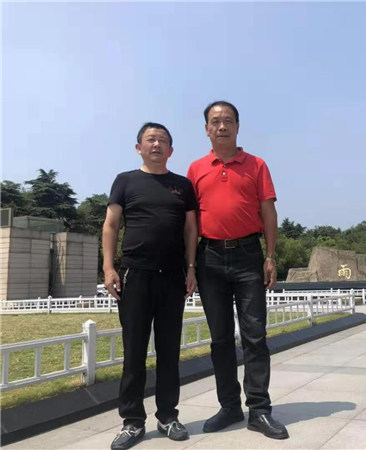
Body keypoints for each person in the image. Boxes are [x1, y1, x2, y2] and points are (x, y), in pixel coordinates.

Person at [187, 101, 288, 440]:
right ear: (206, 129)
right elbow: (190, 223)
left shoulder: (256, 165)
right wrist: (190, 265)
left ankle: (259, 409)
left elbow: (268, 211)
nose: (222, 126)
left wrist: (270, 256)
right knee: (219, 339)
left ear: (238, 127)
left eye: (228, 120)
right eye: (215, 121)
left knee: (255, 335)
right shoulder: (196, 169)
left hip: (248, 256)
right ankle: (229, 406)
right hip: (210, 258)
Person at [103, 122, 198, 450]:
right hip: (135, 275)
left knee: (170, 351)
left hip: (172, 276)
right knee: (134, 352)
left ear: (171, 150)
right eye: (150, 140)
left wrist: (191, 268)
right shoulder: (125, 181)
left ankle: (168, 416)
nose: (156, 145)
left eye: (163, 141)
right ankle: (132, 421)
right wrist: (109, 267)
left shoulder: (182, 185)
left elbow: (191, 230)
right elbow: (111, 225)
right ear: (139, 147)